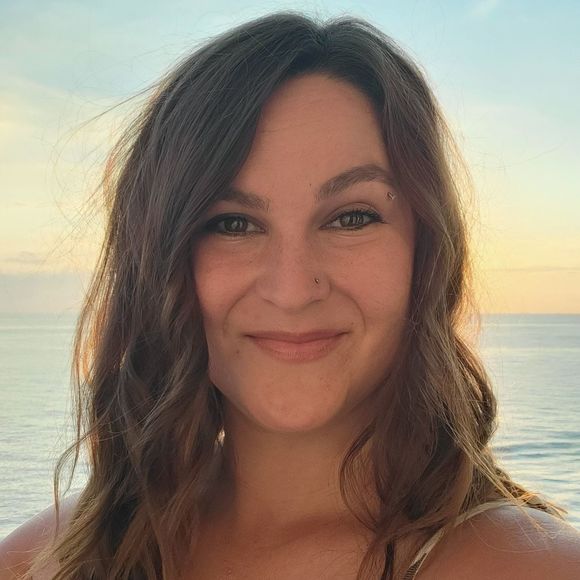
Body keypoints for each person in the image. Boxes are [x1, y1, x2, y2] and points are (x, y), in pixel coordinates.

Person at [1, 11, 580, 580]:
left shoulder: (538, 567)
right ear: (157, 263)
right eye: (232, 224)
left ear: (427, 254)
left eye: (352, 217)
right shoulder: (42, 560)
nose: (293, 289)